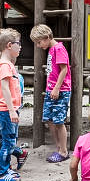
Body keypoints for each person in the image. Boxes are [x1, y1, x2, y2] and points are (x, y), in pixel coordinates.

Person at [30, 23, 71, 163]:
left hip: (61, 90)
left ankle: (63, 151)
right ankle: (58, 148)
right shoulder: (51, 49)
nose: (38, 45)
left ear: (47, 37)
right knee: (49, 119)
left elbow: (64, 69)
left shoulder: (59, 49)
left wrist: (57, 88)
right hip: (51, 90)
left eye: (39, 42)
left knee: (59, 121)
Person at [0, 28, 23, 181]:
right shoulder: (4, 65)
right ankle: (2, 173)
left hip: (6, 109)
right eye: (18, 44)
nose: (20, 47)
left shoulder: (7, 64)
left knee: (9, 141)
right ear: (9, 45)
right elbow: (4, 89)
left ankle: (5, 168)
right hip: (5, 110)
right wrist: (11, 111)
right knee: (9, 142)